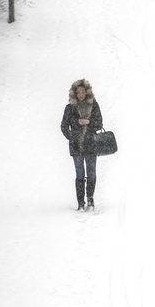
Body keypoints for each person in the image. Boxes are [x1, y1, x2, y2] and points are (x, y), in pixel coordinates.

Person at [60, 79, 103, 210]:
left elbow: (99, 124)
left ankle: (90, 199)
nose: (80, 94)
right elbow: (63, 126)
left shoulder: (94, 105)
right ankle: (80, 203)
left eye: (83, 92)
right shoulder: (69, 108)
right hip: (76, 146)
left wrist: (88, 122)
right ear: (74, 93)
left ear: (87, 92)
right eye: (78, 92)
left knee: (91, 173)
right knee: (79, 174)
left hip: (91, 144)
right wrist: (72, 137)